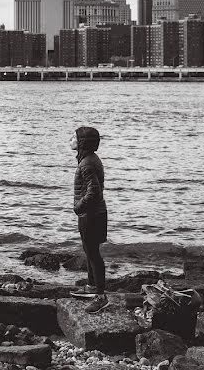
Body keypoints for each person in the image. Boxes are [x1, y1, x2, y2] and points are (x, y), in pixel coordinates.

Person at [70, 126, 109, 313]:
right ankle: (92, 287)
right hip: (93, 214)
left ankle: (101, 296)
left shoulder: (86, 163)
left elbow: (94, 192)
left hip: (91, 215)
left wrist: (78, 206)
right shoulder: (89, 159)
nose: (71, 140)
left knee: (93, 253)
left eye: (74, 138)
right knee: (90, 250)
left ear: (82, 143)